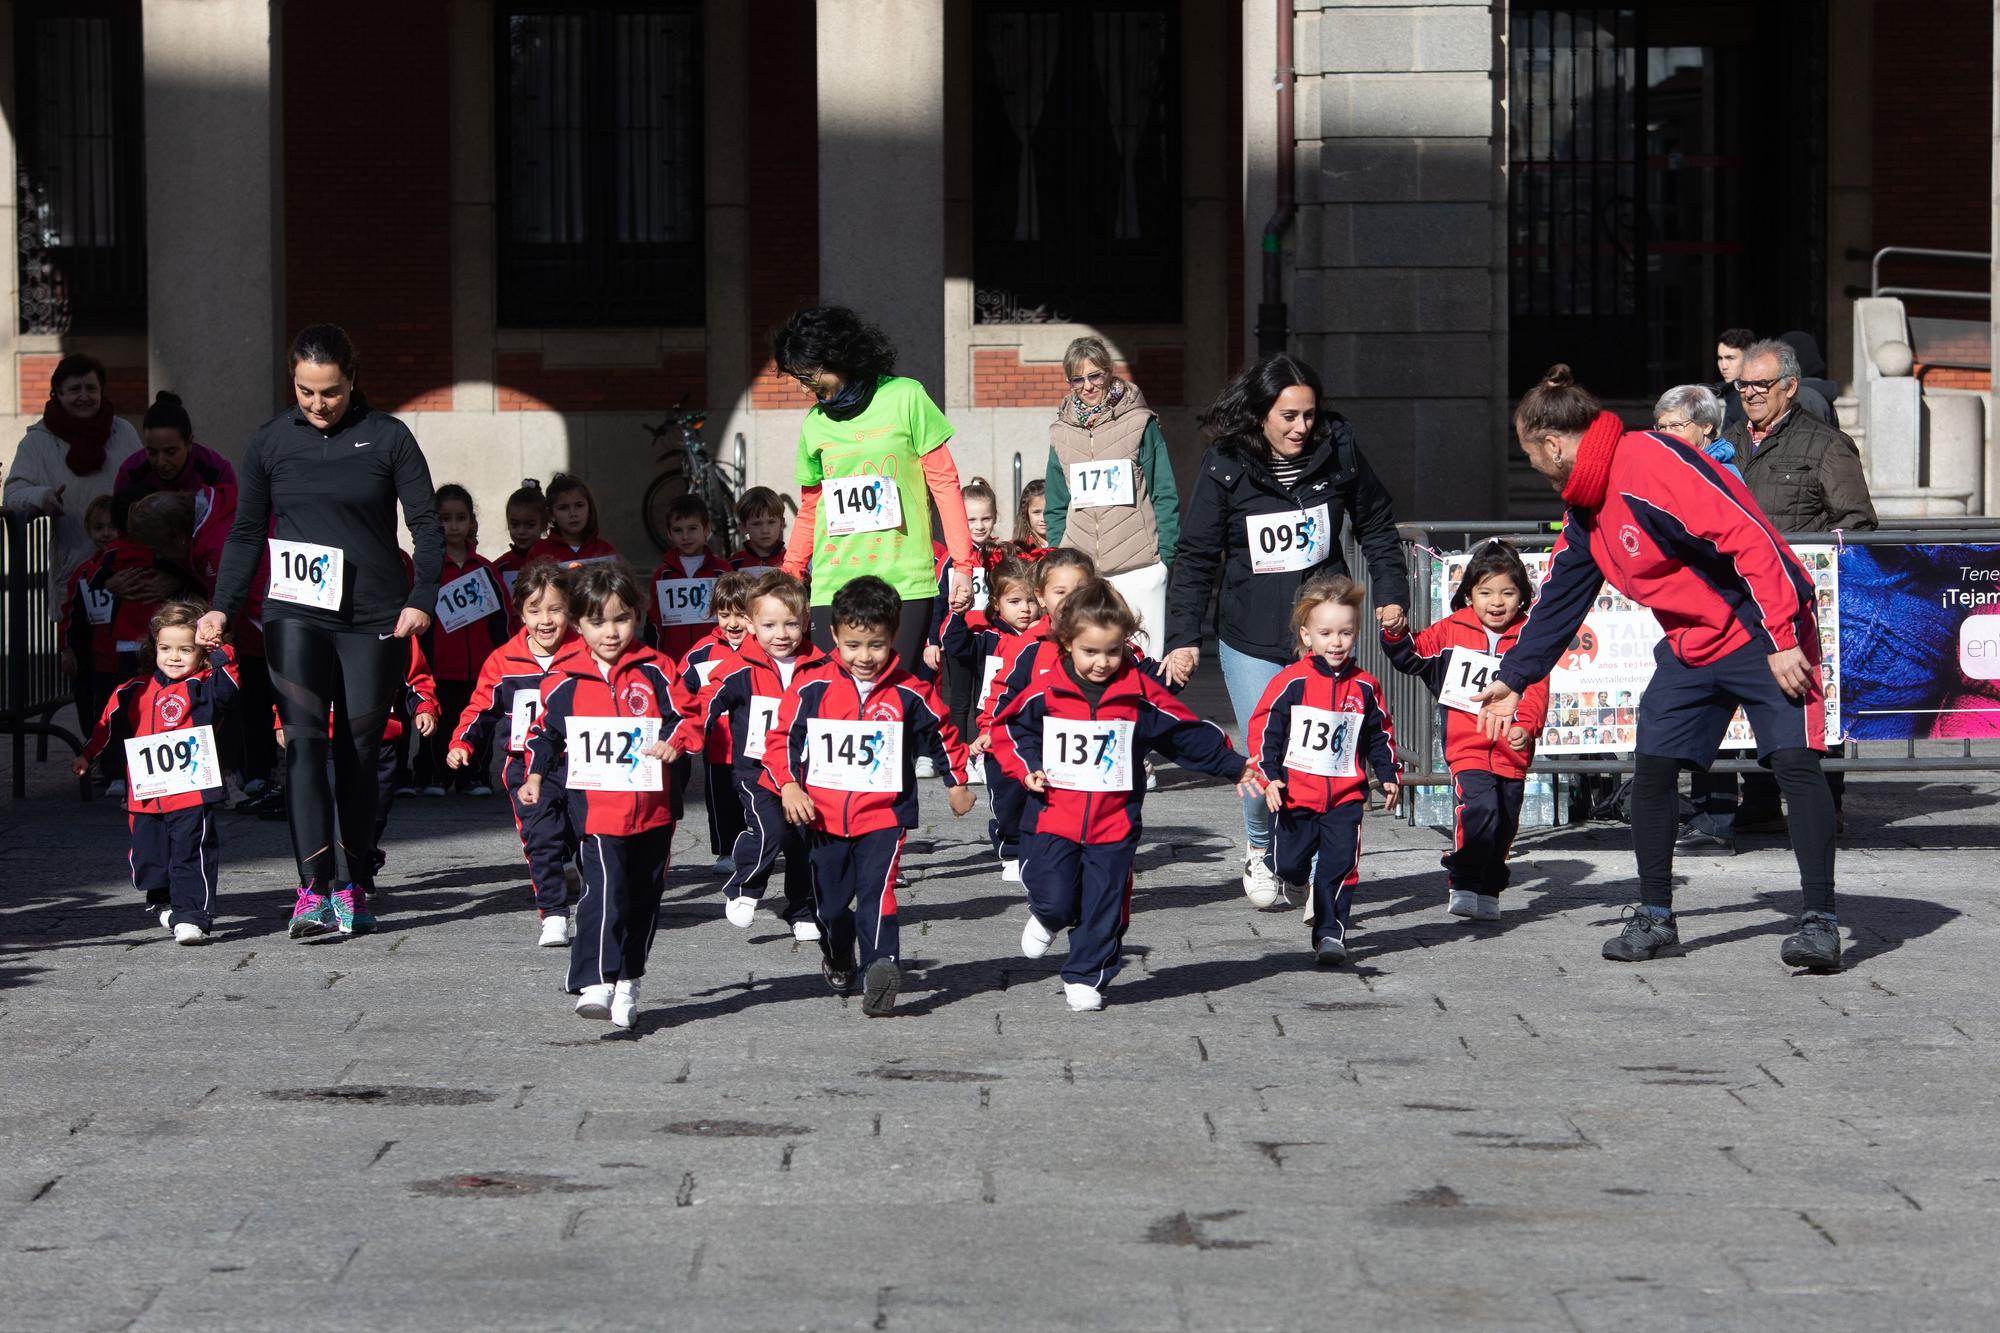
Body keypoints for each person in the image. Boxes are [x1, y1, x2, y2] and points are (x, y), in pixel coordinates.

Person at [1473, 365, 1842, 971]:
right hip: (1694, 643)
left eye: (1529, 454)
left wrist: (1779, 635)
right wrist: (1513, 677)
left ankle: (1820, 922)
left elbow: (1747, 536)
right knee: (1653, 770)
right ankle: (1656, 917)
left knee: (1795, 765)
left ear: (1553, 445)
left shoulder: (1647, 460)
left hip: (1763, 628)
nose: (1534, 467)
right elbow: (1560, 599)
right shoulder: (1586, 509)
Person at [200, 324, 443, 939]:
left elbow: (426, 525)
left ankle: (356, 883)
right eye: (305, 392)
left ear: (352, 379)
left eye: (329, 392)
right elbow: (247, 531)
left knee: (359, 748)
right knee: (303, 742)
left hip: (373, 614)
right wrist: (223, 605)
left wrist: (420, 599)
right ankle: (312, 888)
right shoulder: (270, 442)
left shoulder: (389, 436)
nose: (317, 404)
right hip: (296, 609)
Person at [1162, 353, 1410, 909]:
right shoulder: (1225, 463)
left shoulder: (1338, 450)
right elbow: (1198, 553)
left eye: (1309, 415)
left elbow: (1375, 522)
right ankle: (1259, 847)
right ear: (1260, 416)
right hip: (1250, 634)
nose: (1302, 427)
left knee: (1324, 752)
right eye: (1289, 416)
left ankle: (1320, 871)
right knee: (1264, 751)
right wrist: (1182, 638)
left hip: (1324, 633)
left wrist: (1392, 594)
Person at [993, 579, 1255, 1011]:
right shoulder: (1045, 693)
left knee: (1104, 902)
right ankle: (1047, 915)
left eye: (1112, 652)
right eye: (1090, 652)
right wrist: (1028, 769)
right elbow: (1009, 729)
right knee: (1054, 895)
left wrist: (1233, 765)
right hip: (1051, 816)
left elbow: (1184, 733)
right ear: (1066, 645)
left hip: (1113, 824)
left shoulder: (1139, 695)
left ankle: (1086, 974)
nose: (1101, 663)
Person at [763, 576, 977, 1016]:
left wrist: (957, 781)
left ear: (893, 638)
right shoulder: (811, 686)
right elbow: (782, 737)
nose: (865, 656)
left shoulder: (910, 691)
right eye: (854, 645)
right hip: (820, 817)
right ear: (834, 637)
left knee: (878, 893)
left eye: (876, 645)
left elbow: (943, 734)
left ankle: (881, 967)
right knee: (831, 906)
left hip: (884, 815)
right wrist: (788, 784)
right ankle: (839, 957)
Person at [1705, 337, 1877, 848]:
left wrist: (1818, 560)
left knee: (1809, 704)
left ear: (1791, 386)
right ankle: (1757, 806)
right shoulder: (1727, 441)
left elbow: (1858, 525)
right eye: (1744, 386)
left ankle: (1826, 807)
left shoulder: (1824, 444)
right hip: (1738, 603)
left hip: (1803, 605)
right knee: (1749, 704)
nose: (1751, 394)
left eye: (1762, 384)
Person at [520, 562, 691, 1030]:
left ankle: (629, 981)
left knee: (642, 899)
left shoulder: (658, 669)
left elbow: (687, 715)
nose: (610, 632)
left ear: (636, 616)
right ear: (578, 624)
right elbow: (543, 733)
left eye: (621, 619)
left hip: (654, 811)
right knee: (604, 890)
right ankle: (593, 981)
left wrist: (676, 741)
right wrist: (534, 776)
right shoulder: (564, 678)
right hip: (596, 811)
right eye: (597, 622)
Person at [770, 306, 976, 663]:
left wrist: (963, 564)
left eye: (809, 376)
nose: (806, 390)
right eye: (799, 380)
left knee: (896, 701)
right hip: (834, 580)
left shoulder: (907, 396)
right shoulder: (814, 423)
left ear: (837, 357)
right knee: (835, 703)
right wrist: (791, 574)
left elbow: (944, 483)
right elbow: (811, 506)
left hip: (904, 578)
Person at [1381, 543, 1547, 921]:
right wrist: (1395, 633)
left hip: (1513, 751)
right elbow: (1412, 655)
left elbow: (1537, 687)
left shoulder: (1529, 636)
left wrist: (1525, 725)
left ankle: (1489, 890)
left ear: (1522, 595)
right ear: (1468, 594)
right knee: (1479, 810)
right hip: (1467, 744)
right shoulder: (1451, 630)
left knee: (1504, 822)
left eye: (1508, 593)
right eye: (1486, 592)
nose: (1497, 602)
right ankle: (1463, 880)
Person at [1242, 577, 1400, 965]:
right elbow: (1266, 729)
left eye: (1345, 633)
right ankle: (1291, 877)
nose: (1336, 642)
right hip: (1296, 793)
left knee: (1339, 866)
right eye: (1326, 632)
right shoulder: (1291, 682)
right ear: (1306, 635)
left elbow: (1379, 733)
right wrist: (1269, 774)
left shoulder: (1365, 687)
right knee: (1291, 863)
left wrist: (1389, 773)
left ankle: (1331, 934)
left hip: (1345, 797)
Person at [73, 601, 240, 944]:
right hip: (146, 795)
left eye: (185, 650)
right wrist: (87, 755)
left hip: (191, 791)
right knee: (150, 858)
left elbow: (230, 685)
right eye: (166, 648)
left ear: (201, 654)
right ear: (154, 649)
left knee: (190, 852)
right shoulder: (132, 689)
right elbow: (107, 724)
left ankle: (193, 915)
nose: (174, 657)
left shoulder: (206, 687)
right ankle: (163, 901)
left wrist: (222, 649)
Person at [451, 559, 581, 948]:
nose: (545, 620)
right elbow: (480, 709)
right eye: (535, 610)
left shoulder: (584, 654)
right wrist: (462, 742)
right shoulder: (503, 660)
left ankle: (595, 897)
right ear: (519, 612)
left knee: (587, 839)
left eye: (555, 609)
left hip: (580, 765)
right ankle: (554, 914)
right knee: (540, 841)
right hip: (526, 770)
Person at [687, 571, 823, 939]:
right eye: (770, 625)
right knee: (771, 829)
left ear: (807, 621)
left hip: (807, 772)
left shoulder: (822, 666)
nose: (781, 634)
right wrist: (687, 734)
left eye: (791, 624)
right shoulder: (740, 666)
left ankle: (802, 909)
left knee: (805, 841)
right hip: (755, 770)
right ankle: (744, 886)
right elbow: (707, 701)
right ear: (750, 625)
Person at [1042, 336, 1181, 658]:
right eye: (1078, 379)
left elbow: (1164, 491)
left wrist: (1165, 556)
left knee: (1147, 661)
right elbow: (1056, 502)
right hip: (1082, 569)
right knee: (1086, 659)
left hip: (1140, 565)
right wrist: (1057, 551)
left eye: (1095, 376)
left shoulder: (1140, 422)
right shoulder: (1060, 433)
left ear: (1108, 372)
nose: (1088, 386)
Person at [969, 549, 1097, 879]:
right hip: (1027, 743)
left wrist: (1168, 672)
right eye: (1060, 592)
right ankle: (1011, 846)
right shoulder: (1028, 644)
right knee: (1011, 796)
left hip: (1075, 750)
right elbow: (1001, 690)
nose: (1070, 601)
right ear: (1042, 598)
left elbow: (1138, 675)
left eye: (1079, 591)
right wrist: (988, 728)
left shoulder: (1105, 640)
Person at [5, 352, 145, 616]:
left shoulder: (123, 432)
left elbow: (146, 484)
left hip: (129, 568)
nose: (84, 396)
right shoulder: (37, 442)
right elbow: (12, 494)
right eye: (74, 389)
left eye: (91, 388)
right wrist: (42, 497)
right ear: (57, 393)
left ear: (102, 391)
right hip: (75, 570)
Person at [420, 484, 508, 796]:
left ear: (471, 522)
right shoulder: (428, 569)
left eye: (460, 517)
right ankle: (438, 774)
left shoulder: (485, 568)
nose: (453, 525)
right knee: (439, 723)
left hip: (480, 667)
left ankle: (476, 774)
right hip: (441, 666)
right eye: (445, 518)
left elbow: (501, 617)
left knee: (479, 721)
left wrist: (499, 656)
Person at [679, 569, 757, 873]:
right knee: (721, 800)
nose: (733, 623)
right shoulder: (702, 652)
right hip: (718, 745)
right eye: (725, 614)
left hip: (756, 743)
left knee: (755, 800)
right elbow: (680, 690)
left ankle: (761, 845)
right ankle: (726, 850)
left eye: (740, 614)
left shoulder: (765, 647)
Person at [110, 391, 237, 526]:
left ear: (189, 444)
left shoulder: (216, 471)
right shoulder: (131, 472)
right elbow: (120, 527)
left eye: (171, 452)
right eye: (152, 452)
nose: (161, 462)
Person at [651, 493, 732, 662]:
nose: (685, 536)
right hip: (674, 660)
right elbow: (655, 623)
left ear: (707, 530)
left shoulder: (723, 572)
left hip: (715, 659)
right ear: (669, 534)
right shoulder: (662, 576)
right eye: (678, 530)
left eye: (692, 528)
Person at [524, 473, 619, 568]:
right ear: (551, 514)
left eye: (579, 505)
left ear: (589, 508)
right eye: (563, 508)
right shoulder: (539, 552)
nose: (573, 513)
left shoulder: (604, 550)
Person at [1653, 384, 1738, 479]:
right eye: (1662, 427)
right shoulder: (1662, 465)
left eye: (1676, 425)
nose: (1666, 434)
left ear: (1706, 427)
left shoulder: (1723, 477)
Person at [494, 480, 548, 602]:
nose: (521, 531)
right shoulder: (499, 568)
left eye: (530, 525)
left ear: (544, 525)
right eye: (515, 524)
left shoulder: (555, 561)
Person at [730, 487, 790, 576]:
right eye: (757, 524)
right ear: (743, 527)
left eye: (771, 522)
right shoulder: (733, 564)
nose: (765, 530)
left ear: (781, 524)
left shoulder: (791, 561)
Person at [1711, 327, 1756, 429]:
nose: (1724, 366)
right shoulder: (1715, 392)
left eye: (1730, 358)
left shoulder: (1757, 396)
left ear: (1749, 358)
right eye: (1720, 358)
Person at [1007, 478, 1051, 559]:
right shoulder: (1016, 549)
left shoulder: (1064, 542)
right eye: (1036, 512)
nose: (1043, 519)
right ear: (1026, 513)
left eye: (1047, 512)